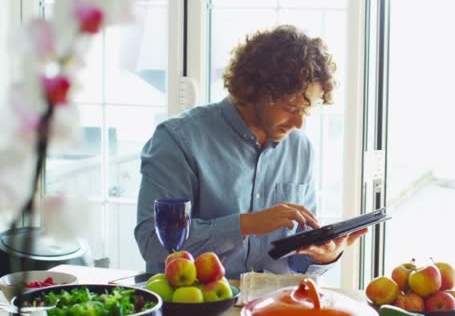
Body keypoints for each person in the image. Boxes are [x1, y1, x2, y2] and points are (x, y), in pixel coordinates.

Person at [134, 24, 367, 278]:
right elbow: (152, 242)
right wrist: (246, 224)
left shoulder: (301, 148)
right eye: (291, 107)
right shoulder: (178, 140)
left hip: (276, 305)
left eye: (306, 110)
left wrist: (324, 255)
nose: (299, 123)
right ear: (255, 90)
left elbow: (297, 262)